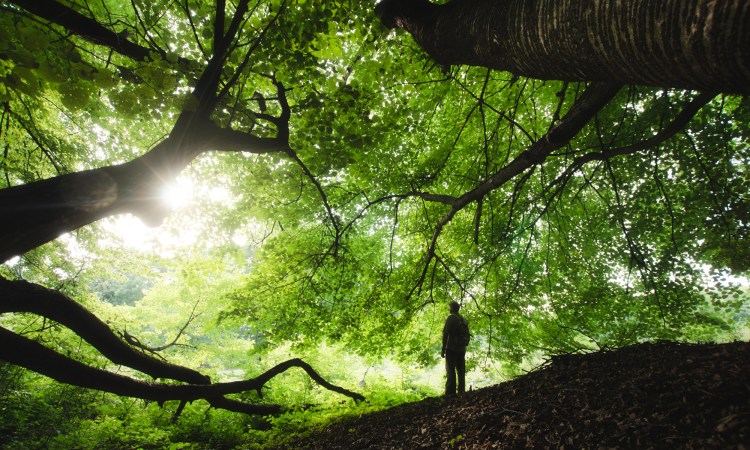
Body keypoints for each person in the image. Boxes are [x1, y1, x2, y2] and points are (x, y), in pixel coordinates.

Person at [441, 301, 468, 396]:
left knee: (451, 371)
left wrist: (443, 349)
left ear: (452, 308)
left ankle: (450, 394)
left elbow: (445, 334)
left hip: (451, 349)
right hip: (462, 349)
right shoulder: (464, 319)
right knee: (461, 371)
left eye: (450, 307)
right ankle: (462, 391)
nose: (449, 308)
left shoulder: (451, 318)